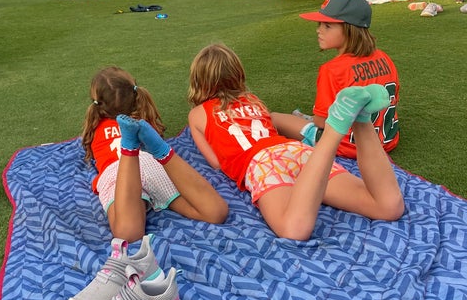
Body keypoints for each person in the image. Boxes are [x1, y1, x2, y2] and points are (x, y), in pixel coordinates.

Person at [187, 43, 404, 241]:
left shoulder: (197, 114)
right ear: (237, 74)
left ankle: (332, 132)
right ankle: (361, 119)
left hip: (262, 164)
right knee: (387, 207)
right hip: (293, 149)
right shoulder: (254, 101)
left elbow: (216, 162)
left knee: (293, 229)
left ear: (198, 81)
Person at [80, 66, 228, 242]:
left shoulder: (95, 127)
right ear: (136, 94)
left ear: (97, 105)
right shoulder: (144, 121)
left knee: (128, 234)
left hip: (117, 172)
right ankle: (161, 150)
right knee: (215, 212)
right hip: (151, 163)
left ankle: (129, 148)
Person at [270, 0, 399, 159]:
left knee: (275, 118)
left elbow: (321, 122)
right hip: (387, 141)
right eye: (320, 24)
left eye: (327, 26)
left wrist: (314, 120)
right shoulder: (384, 57)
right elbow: (392, 98)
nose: (319, 30)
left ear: (350, 29)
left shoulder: (332, 69)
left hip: (348, 147)